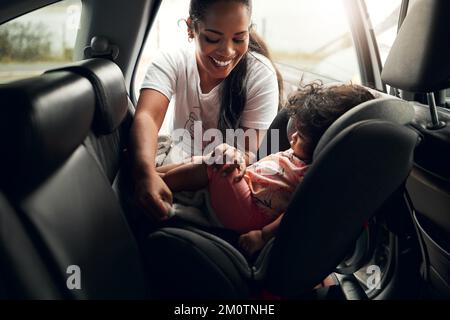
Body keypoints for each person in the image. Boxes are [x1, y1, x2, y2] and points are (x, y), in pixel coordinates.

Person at [156, 82, 375, 256]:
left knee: (220, 160)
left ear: (327, 142)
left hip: (251, 213)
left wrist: (263, 236)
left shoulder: (314, 176)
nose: (293, 137)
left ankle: (160, 186)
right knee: (214, 158)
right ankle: (157, 174)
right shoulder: (297, 156)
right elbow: (264, 168)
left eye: (303, 137)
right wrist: (243, 159)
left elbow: (295, 214)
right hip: (248, 195)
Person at [130, 0, 282, 221]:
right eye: (212, 38)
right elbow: (147, 117)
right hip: (178, 163)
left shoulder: (260, 75)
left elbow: (246, 156)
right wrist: (145, 173)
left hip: (222, 180)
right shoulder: (173, 60)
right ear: (191, 28)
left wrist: (160, 176)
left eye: (239, 38)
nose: (227, 51)